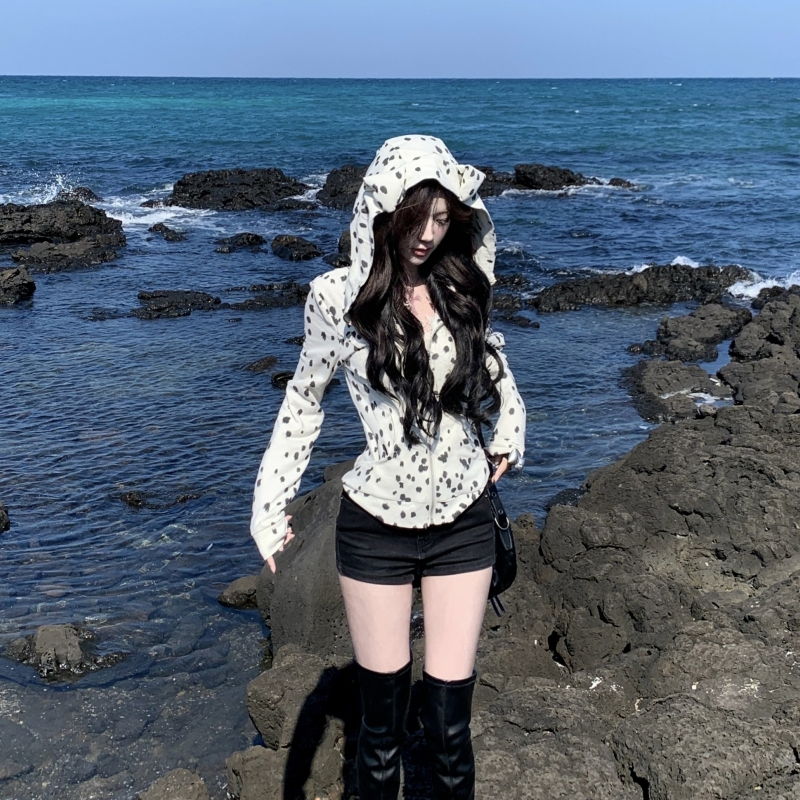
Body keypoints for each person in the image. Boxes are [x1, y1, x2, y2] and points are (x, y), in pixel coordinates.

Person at [250, 135, 526, 800]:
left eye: (442, 219)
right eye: (415, 219)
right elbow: (303, 401)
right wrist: (269, 505)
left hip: (465, 522)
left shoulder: (460, 283)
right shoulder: (336, 298)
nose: (428, 235)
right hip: (375, 530)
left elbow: (490, 357)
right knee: (378, 739)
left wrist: (511, 426)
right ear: (383, 212)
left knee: (450, 732)